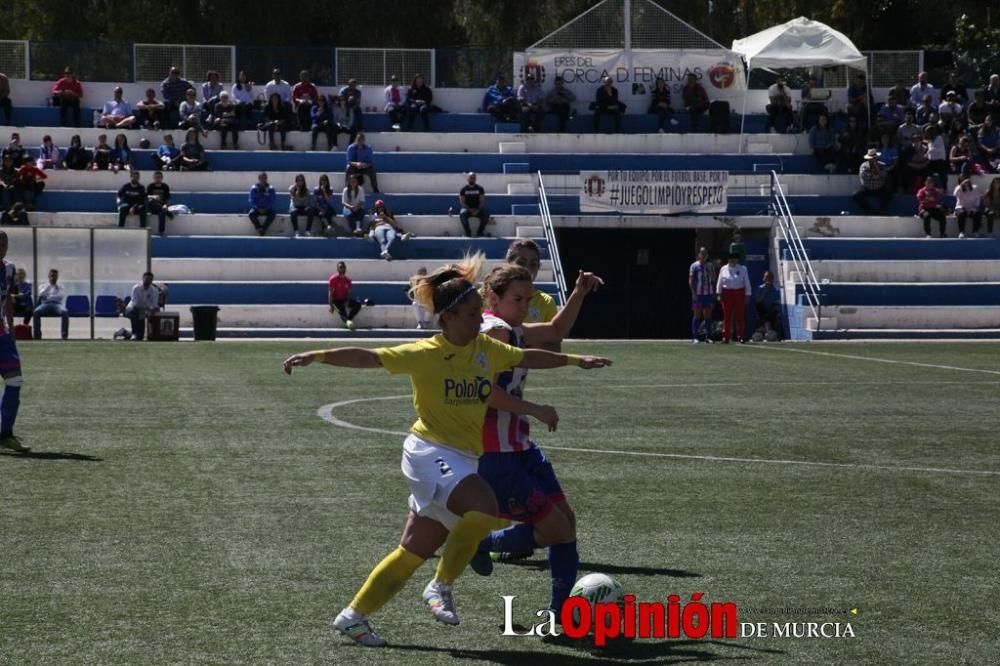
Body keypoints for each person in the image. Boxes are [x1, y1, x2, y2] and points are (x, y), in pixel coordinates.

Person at [282, 255, 611, 647]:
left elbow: (529, 357)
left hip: (460, 458)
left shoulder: (486, 349)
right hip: (428, 451)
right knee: (485, 505)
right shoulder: (427, 353)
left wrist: (577, 361)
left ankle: (353, 616)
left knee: (413, 551)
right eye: (473, 313)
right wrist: (316, 355)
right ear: (450, 317)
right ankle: (440, 587)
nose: (480, 319)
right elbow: (368, 357)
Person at [469, 264, 604, 620]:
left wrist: (578, 293)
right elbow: (485, 394)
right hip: (495, 454)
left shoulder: (511, 328)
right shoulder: (494, 332)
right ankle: (560, 618)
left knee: (564, 524)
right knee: (557, 531)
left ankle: (482, 543)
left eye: (529, 299)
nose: (526, 306)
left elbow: (554, 331)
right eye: (518, 299)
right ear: (493, 298)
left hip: (520, 447)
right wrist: (536, 408)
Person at [0, 231, 28, 451]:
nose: (1, 247)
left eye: (4, 244)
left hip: (2, 334)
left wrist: (11, 326)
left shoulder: (9, 268)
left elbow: (7, 297)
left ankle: (5, 434)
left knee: (15, 381)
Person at [505, 239, 557, 325]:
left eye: (533, 264)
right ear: (509, 262)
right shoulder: (488, 295)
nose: (527, 269)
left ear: (538, 267)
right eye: (521, 263)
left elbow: (553, 336)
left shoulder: (546, 303)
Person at [716, 252, 751, 343]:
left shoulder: (743, 269)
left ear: (737, 260)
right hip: (727, 293)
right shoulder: (723, 269)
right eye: (731, 258)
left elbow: (747, 282)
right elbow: (720, 282)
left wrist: (747, 294)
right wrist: (719, 294)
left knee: (740, 315)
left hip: (739, 292)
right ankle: (726, 337)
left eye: (734, 259)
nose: (732, 260)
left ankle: (741, 336)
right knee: (727, 316)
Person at [689, 246, 716, 343]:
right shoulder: (694, 266)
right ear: (699, 254)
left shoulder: (710, 266)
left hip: (708, 294)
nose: (704, 255)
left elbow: (713, 280)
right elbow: (691, 280)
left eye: (705, 253)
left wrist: (713, 293)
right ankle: (695, 337)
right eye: (702, 253)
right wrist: (693, 293)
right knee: (697, 315)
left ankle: (708, 336)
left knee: (708, 315)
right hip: (698, 294)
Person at [32, 269, 69, 340]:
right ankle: (37, 335)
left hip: (57, 305)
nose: (53, 278)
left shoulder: (60, 287)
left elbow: (60, 297)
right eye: (52, 276)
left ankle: (64, 335)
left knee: (64, 312)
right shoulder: (43, 286)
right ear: (49, 276)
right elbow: (41, 294)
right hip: (45, 305)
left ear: (57, 277)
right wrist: (49, 286)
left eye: (55, 276)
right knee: (36, 312)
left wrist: (48, 297)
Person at [853, 149, 893, 214]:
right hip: (867, 188)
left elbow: (884, 175)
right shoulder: (864, 166)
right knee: (856, 195)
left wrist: (876, 168)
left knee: (889, 195)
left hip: (879, 188)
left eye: (874, 158)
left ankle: (881, 211)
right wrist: (876, 175)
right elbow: (866, 176)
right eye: (871, 158)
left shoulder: (882, 165)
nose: (873, 160)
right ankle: (869, 210)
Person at [125, 272, 160, 341]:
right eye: (146, 278)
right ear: (143, 278)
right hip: (132, 310)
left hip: (146, 311)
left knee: (140, 337)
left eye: (150, 279)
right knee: (135, 312)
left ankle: (125, 333)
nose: (148, 280)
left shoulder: (154, 291)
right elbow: (135, 304)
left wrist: (151, 311)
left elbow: (155, 305)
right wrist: (146, 310)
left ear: (152, 280)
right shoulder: (136, 288)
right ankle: (134, 333)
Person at [328, 261, 361, 329]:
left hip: (344, 299)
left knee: (358, 305)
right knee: (342, 311)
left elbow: (348, 293)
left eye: (344, 267)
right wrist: (331, 306)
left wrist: (347, 301)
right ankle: (349, 323)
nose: (342, 269)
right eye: (340, 267)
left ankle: (348, 321)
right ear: (337, 269)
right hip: (336, 300)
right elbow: (330, 293)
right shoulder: (333, 279)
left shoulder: (348, 281)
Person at [458, 172, 490, 238]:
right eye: (471, 178)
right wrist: (470, 210)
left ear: (476, 179)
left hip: (478, 209)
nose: (472, 179)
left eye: (474, 178)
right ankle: (468, 233)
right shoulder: (463, 190)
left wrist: (477, 210)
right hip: (467, 209)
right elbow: (462, 202)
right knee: (462, 214)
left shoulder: (480, 189)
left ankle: (480, 232)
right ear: (467, 179)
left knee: (486, 214)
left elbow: (482, 201)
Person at [754, 270, 781, 340]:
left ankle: (766, 331)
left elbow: (776, 303)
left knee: (768, 316)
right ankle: (765, 331)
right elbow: (758, 301)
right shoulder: (760, 288)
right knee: (762, 314)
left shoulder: (775, 289)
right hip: (762, 311)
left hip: (771, 312)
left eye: (768, 277)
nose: (765, 279)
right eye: (766, 277)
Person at [146, 171, 173, 235]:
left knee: (162, 212)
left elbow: (168, 198)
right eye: (156, 177)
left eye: (159, 177)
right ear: (154, 178)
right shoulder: (150, 186)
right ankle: (167, 212)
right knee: (151, 201)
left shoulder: (165, 187)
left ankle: (161, 231)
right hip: (152, 206)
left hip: (162, 207)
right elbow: (147, 197)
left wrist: (166, 205)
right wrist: (153, 196)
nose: (158, 179)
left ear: (162, 178)